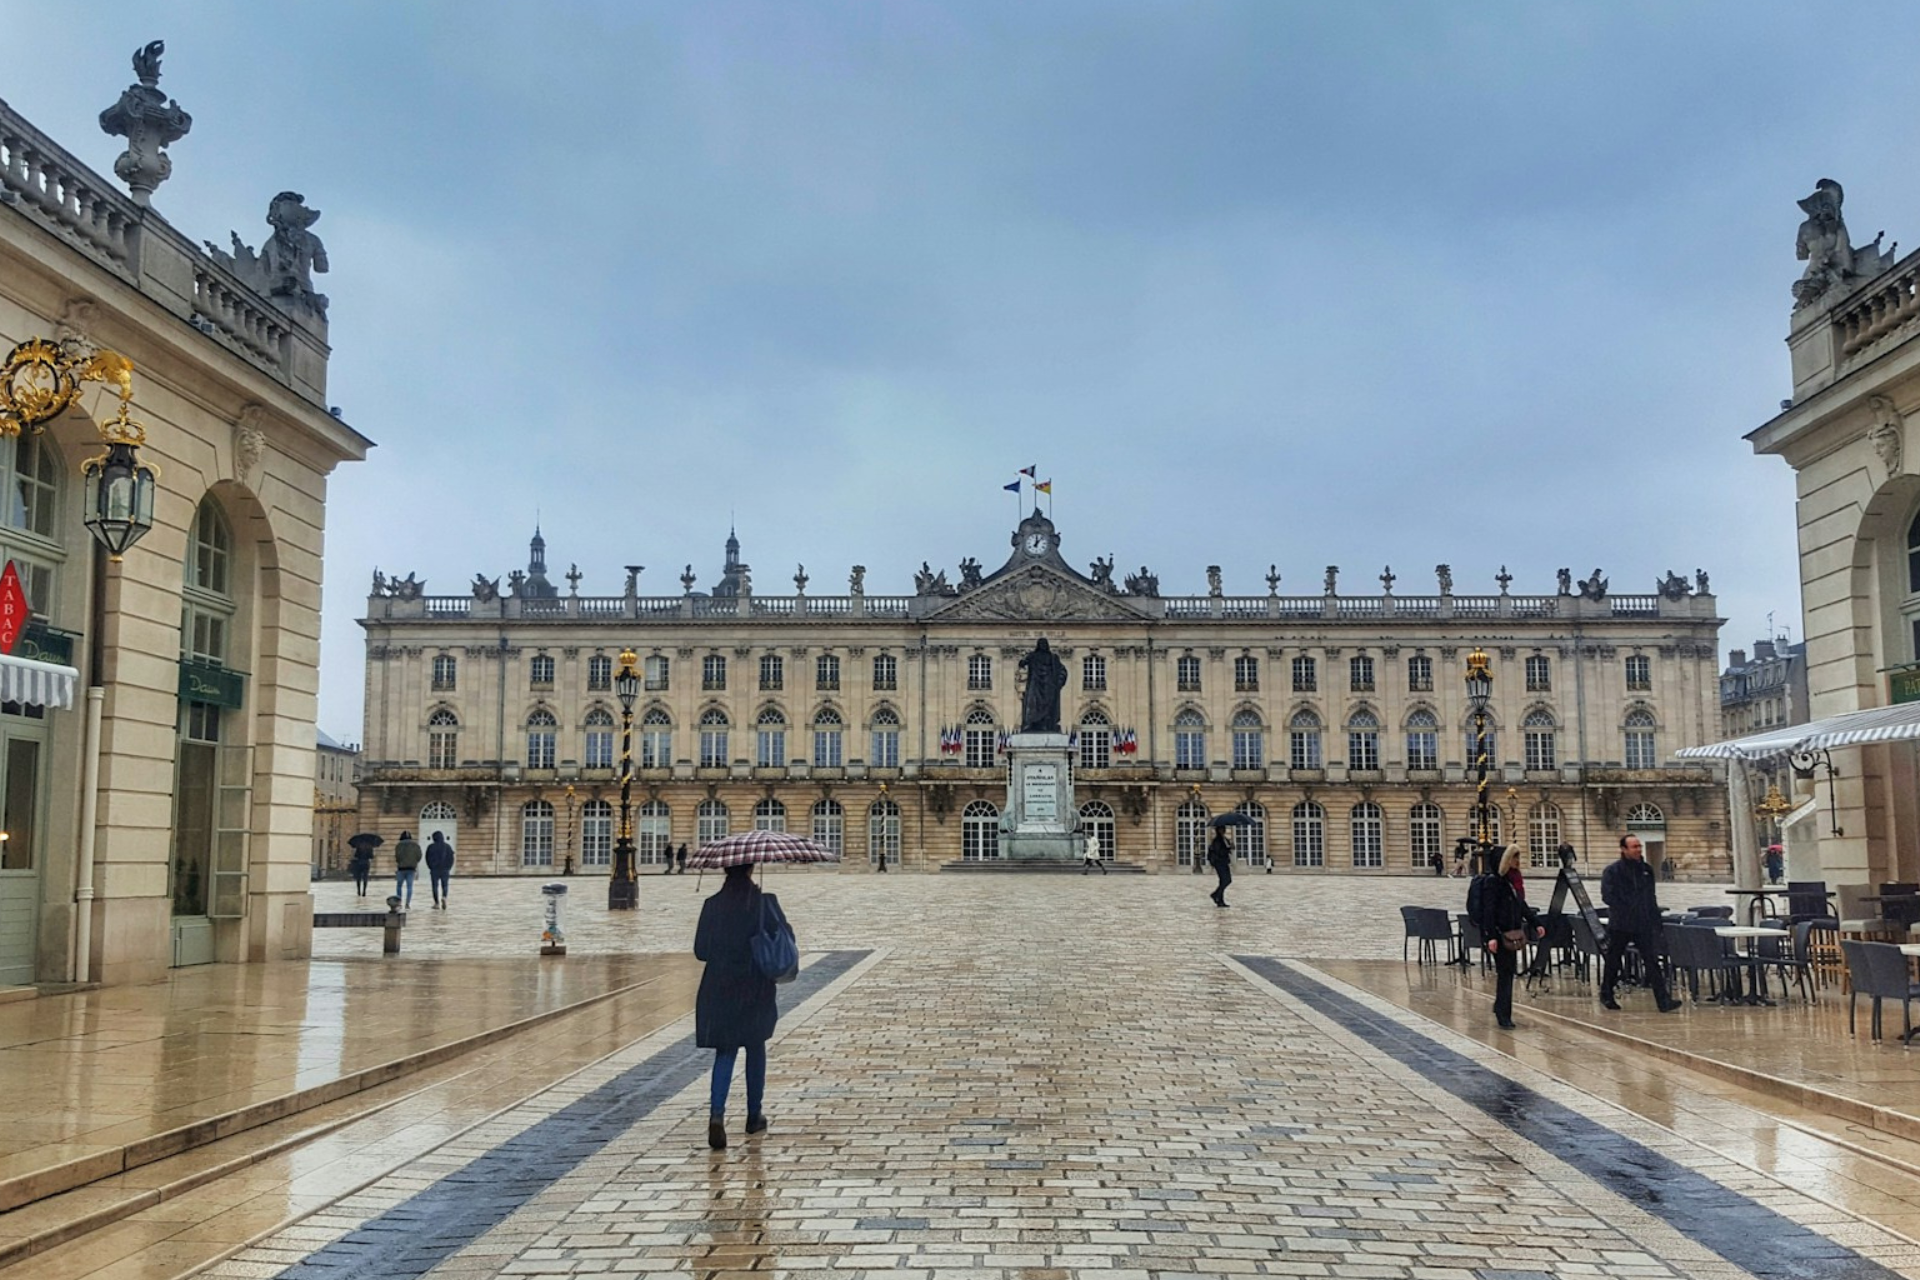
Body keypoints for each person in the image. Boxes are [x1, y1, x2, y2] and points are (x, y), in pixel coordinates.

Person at [694, 864, 784, 1150]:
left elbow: (701, 950)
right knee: (755, 1047)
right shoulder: (762, 903)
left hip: (719, 985)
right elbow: (782, 941)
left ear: (725, 869)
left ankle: (716, 1114)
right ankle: (753, 1115)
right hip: (755, 984)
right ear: (751, 868)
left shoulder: (712, 904)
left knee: (726, 1049)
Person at [1599, 833, 1683, 1014]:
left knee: (1652, 961)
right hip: (1621, 924)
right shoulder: (1613, 871)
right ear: (1623, 849)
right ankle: (1606, 993)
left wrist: (1656, 920)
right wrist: (1627, 907)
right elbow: (1608, 896)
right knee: (1613, 959)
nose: (1638, 850)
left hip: (1643, 924)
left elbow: (1651, 896)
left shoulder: (1646, 869)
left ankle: (1663, 1000)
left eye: (1639, 846)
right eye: (1634, 847)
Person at [1473, 845, 1545, 1030]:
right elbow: (1489, 911)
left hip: (1511, 933)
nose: (1517, 861)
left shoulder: (1511, 881)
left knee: (1508, 973)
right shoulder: (1493, 882)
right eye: (1514, 858)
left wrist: (1536, 922)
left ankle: (1500, 1008)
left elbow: (1521, 906)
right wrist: (1491, 936)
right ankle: (1504, 1014)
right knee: (1505, 974)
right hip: (1499, 934)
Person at [392, 831, 422, 910]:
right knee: (409, 887)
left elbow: (397, 856)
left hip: (401, 868)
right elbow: (419, 856)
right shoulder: (415, 845)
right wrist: (414, 862)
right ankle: (407, 903)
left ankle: (399, 903)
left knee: (399, 886)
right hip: (411, 868)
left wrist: (400, 862)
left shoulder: (399, 845)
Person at [425, 831, 455, 909]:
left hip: (434, 869)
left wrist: (430, 867)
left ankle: (436, 903)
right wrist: (449, 867)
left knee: (435, 886)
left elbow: (427, 858)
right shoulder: (447, 846)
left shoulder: (431, 847)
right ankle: (444, 897)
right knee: (445, 885)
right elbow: (451, 858)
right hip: (445, 869)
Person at [1206, 828, 1233, 907]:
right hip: (1220, 863)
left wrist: (1230, 847)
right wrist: (1227, 849)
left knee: (1223, 881)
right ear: (1219, 830)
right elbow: (1219, 852)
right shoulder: (1217, 840)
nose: (1224, 830)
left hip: (1224, 862)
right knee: (1227, 880)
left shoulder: (1224, 839)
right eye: (1222, 829)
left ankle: (1220, 900)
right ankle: (1215, 895)